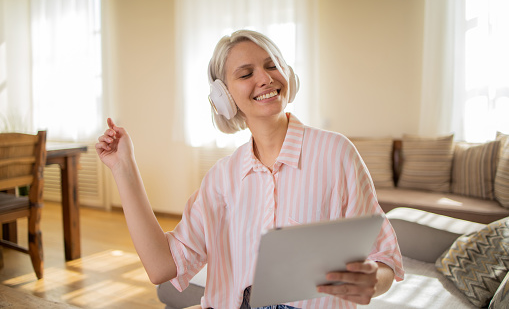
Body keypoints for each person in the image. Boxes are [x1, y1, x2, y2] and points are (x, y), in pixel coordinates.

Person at [96, 30, 404, 309]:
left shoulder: (336, 153)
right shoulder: (222, 178)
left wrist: (373, 281)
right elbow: (162, 266)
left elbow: (384, 256)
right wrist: (124, 168)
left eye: (272, 66)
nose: (266, 78)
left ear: (288, 74)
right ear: (224, 97)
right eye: (246, 73)